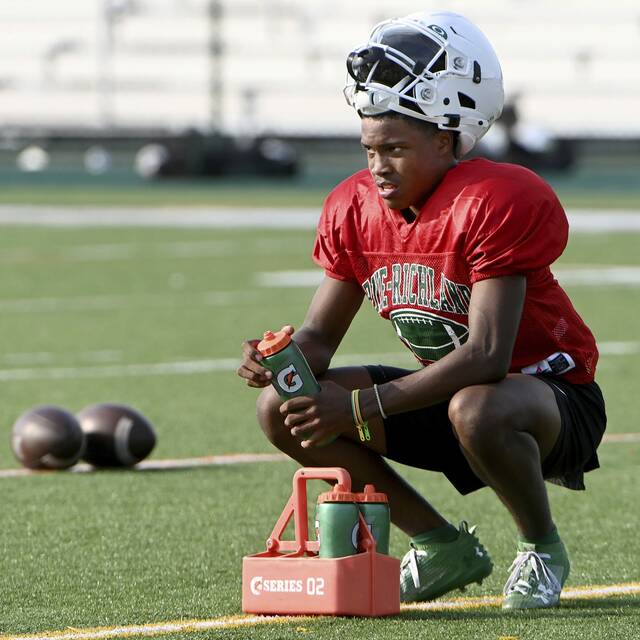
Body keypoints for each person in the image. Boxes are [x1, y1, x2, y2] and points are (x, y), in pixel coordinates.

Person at [237, 10, 606, 610]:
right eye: (369, 149)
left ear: (445, 140)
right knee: (282, 407)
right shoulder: (355, 207)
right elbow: (319, 336)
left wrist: (357, 404)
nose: (378, 166)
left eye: (396, 149)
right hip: (442, 397)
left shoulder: (495, 198)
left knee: (478, 406)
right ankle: (439, 546)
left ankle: (541, 548)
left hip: (546, 401)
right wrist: (282, 358)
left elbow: (487, 355)